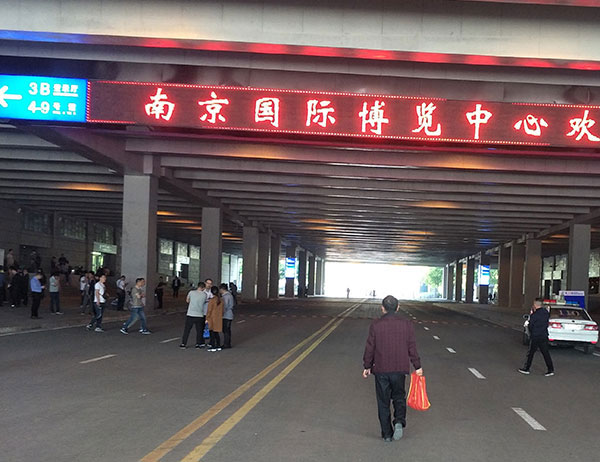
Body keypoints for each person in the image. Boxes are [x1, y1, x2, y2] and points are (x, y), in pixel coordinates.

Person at [363, 295, 423, 443]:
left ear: (382, 308)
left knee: (383, 402)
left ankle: (387, 434)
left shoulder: (376, 325)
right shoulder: (406, 324)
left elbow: (370, 347)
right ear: (398, 307)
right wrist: (417, 366)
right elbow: (411, 347)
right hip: (399, 369)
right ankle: (399, 421)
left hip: (381, 369)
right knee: (399, 397)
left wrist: (367, 366)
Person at [519, 298, 554, 376]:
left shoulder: (534, 315)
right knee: (545, 353)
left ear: (535, 305)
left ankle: (526, 368)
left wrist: (530, 333)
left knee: (531, 353)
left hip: (535, 336)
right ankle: (550, 369)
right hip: (544, 335)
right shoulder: (546, 313)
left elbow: (530, 326)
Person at [179, 282, 208, 349]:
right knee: (199, 330)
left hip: (190, 314)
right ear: (203, 288)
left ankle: (183, 344)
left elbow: (187, 300)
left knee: (187, 330)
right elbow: (204, 302)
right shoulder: (204, 295)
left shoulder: (191, 292)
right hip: (200, 315)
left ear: (198, 286)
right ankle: (198, 344)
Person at [206, 286, 224, 351]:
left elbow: (209, 310)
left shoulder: (212, 300)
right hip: (218, 318)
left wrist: (207, 318)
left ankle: (213, 346)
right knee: (216, 332)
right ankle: (218, 345)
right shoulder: (221, 300)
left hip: (212, 318)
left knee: (212, 332)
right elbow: (222, 310)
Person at [220, 283, 235, 349]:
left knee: (226, 330)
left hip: (226, 315)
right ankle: (227, 343)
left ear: (222, 289)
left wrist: (221, 313)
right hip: (229, 314)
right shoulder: (230, 295)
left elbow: (225, 306)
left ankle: (226, 344)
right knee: (227, 330)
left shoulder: (226, 296)